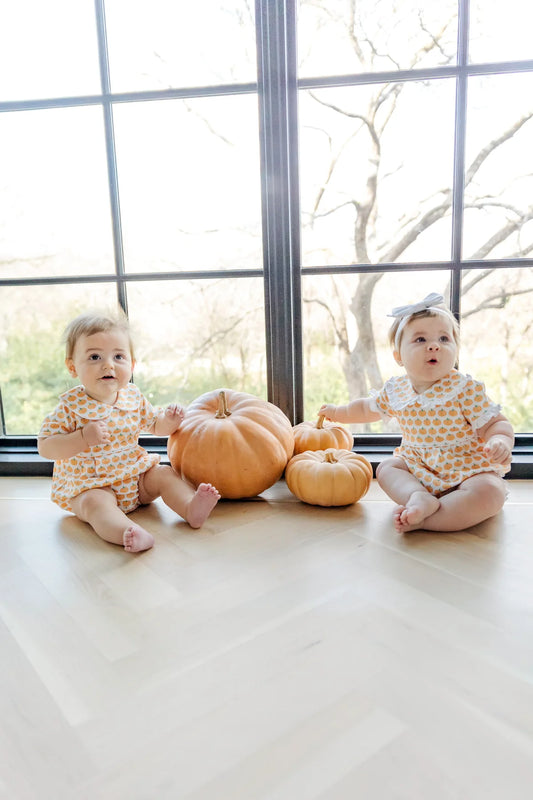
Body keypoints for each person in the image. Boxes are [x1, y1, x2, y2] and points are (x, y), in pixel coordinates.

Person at [319, 293, 514, 533]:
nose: (434, 345)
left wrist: (500, 441)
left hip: (466, 471)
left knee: (490, 492)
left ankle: (427, 520)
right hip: (417, 468)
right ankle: (418, 497)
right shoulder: (396, 389)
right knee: (387, 468)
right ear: (398, 357)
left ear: (455, 350)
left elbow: (495, 423)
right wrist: (338, 412)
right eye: (420, 339)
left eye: (444, 338)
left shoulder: (464, 388)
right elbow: (365, 408)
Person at [38, 311, 220, 553]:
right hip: (90, 485)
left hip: (135, 479)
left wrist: (170, 420)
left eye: (118, 356)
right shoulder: (70, 408)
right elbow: (46, 446)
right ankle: (126, 531)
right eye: (94, 356)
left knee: (164, 473)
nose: (108, 364)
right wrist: (81, 438)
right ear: (72, 367)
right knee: (95, 504)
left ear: (131, 365)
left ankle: (190, 507)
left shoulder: (132, 396)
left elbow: (155, 425)